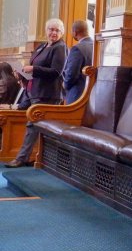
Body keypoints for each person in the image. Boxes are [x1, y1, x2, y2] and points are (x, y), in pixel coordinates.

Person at [6, 18, 67, 168]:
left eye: (57, 30)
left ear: (61, 33)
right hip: (33, 90)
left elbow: (56, 72)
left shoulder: (60, 47)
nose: (53, 33)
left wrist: (33, 69)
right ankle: (28, 156)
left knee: (32, 125)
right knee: (24, 118)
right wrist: (21, 74)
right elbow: (34, 66)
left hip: (47, 94)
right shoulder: (43, 46)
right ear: (46, 31)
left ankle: (21, 158)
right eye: (51, 29)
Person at [62, 20, 93, 104]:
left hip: (77, 96)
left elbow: (72, 73)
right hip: (93, 95)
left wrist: (65, 85)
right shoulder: (96, 46)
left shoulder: (77, 49)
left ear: (75, 32)